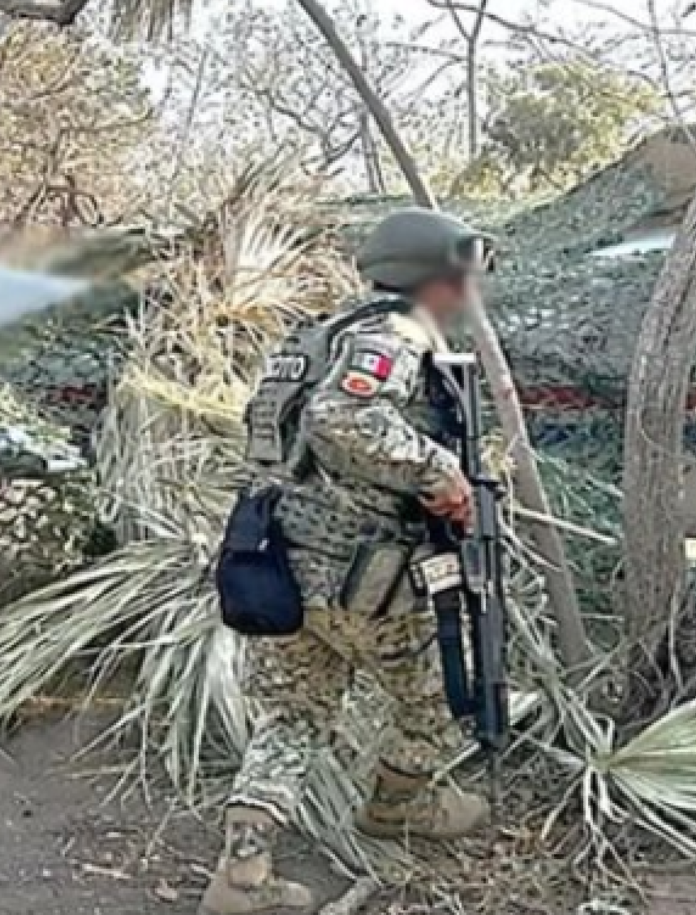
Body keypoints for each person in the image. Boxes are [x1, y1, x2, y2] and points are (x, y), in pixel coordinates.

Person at [202, 208, 495, 915]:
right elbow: (342, 420)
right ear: (429, 277)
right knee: (440, 694)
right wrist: (442, 476)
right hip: (363, 575)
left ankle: (241, 876)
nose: (466, 294)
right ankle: (399, 807)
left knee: (294, 715)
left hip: (281, 570)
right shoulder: (389, 337)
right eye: (460, 278)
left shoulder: (315, 339)